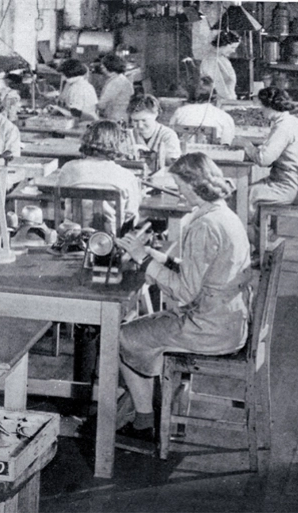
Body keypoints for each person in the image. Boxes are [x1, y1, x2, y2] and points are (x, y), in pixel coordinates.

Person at [116, 152, 252, 441]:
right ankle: (153, 399)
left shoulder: (203, 226)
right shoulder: (224, 215)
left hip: (208, 329)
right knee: (146, 328)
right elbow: (208, 274)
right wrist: (162, 259)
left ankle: (144, 420)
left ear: (194, 185)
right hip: (229, 321)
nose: (178, 192)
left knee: (121, 336)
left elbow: (185, 292)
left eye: (179, 186)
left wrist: (143, 260)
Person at [238, 86, 298, 253]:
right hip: (297, 184)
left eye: (262, 106)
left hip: (288, 188)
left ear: (270, 106)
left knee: (241, 198)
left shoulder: (283, 127)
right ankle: (260, 243)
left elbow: (264, 160)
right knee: (249, 193)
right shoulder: (292, 121)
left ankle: (262, 249)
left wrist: (247, 145)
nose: (260, 110)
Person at [56, 120, 140, 233]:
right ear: (118, 144)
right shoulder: (127, 176)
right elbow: (131, 215)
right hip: (109, 242)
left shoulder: (68, 168)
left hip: (72, 238)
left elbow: (60, 198)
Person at [169, 75, 236, 145]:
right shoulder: (224, 117)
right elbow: (226, 143)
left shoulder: (180, 112)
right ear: (215, 98)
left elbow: (170, 135)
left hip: (185, 154)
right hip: (211, 155)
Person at [127, 94, 181, 172]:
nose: (140, 125)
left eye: (144, 120)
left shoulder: (168, 135)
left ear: (155, 114)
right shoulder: (130, 135)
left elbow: (173, 163)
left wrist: (150, 154)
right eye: (135, 121)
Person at [200, 30, 241, 102]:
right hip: (221, 102)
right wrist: (230, 102)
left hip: (227, 100)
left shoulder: (222, 58)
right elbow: (219, 87)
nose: (233, 51)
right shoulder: (211, 59)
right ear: (223, 44)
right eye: (232, 47)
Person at [96, 54, 135, 124]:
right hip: (122, 117)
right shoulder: (121, 79)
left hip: (114, 118)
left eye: (103, 65)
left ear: (109, 66)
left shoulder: (116, 82)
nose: (101, 67)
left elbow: (102, 104)